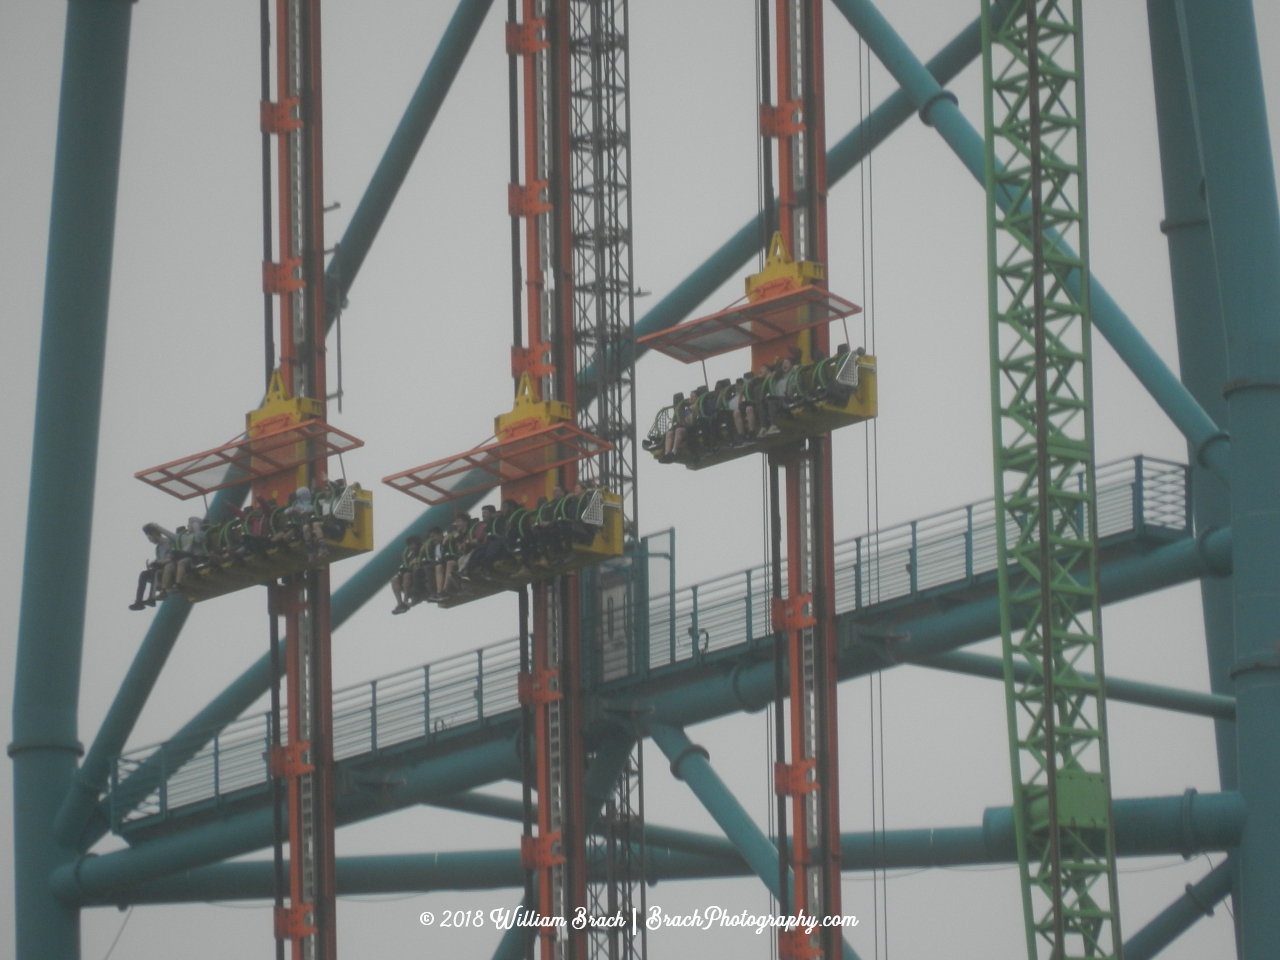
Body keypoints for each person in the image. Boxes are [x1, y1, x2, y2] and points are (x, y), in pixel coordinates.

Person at [129, 523, 176, 610]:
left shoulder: (169, 541)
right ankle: (138, 601)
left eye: (149, 538)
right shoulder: (158, 548)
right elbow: (159, 560)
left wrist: (159, 562)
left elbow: (173, 558)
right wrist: (154, 563)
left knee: (156, 573)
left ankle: (152, 599)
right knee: (143, 574)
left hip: (171, 566)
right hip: (161, 567)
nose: (150, 541)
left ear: (154, 534)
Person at [391, 534, 424, 614]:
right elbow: (407, 567)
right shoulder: (410, 556)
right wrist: (405, 560)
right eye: (409, 545)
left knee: (407, 575)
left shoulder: (423, 551)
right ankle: (400, 602)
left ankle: (405, 600)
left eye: (412, 545)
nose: (411, 547)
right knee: (394, 579)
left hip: (419, 575)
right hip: (411, 575)